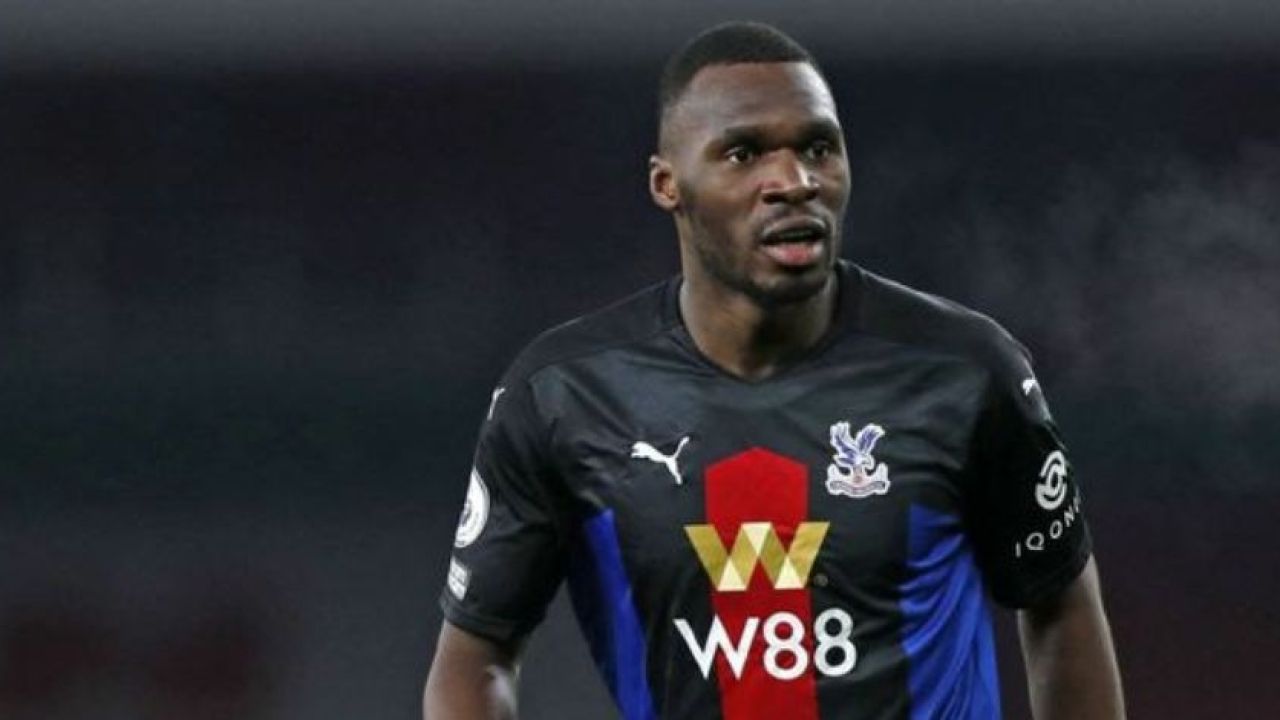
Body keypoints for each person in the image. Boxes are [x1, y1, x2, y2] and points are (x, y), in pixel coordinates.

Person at [424, 20, 1124, 720]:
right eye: (744, 153)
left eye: (818, 148)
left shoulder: (965, 371)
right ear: (669, 184)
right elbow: (476, 659)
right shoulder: (563, 395)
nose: (794, 182)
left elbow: (1060, 603)